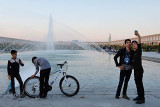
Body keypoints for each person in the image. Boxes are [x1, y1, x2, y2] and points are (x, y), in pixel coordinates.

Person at [132, 31, 145, 104]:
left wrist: (138, 36)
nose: (134, 45)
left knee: (140, 84)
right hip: (136, 70)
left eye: (135, 44)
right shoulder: (134, 53)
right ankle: (139, 96)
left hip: (139, 70)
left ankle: (142, 98)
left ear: (137, 45)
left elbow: (139, 42)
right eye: (133, 44)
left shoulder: (139, 50)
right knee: (137, 83)